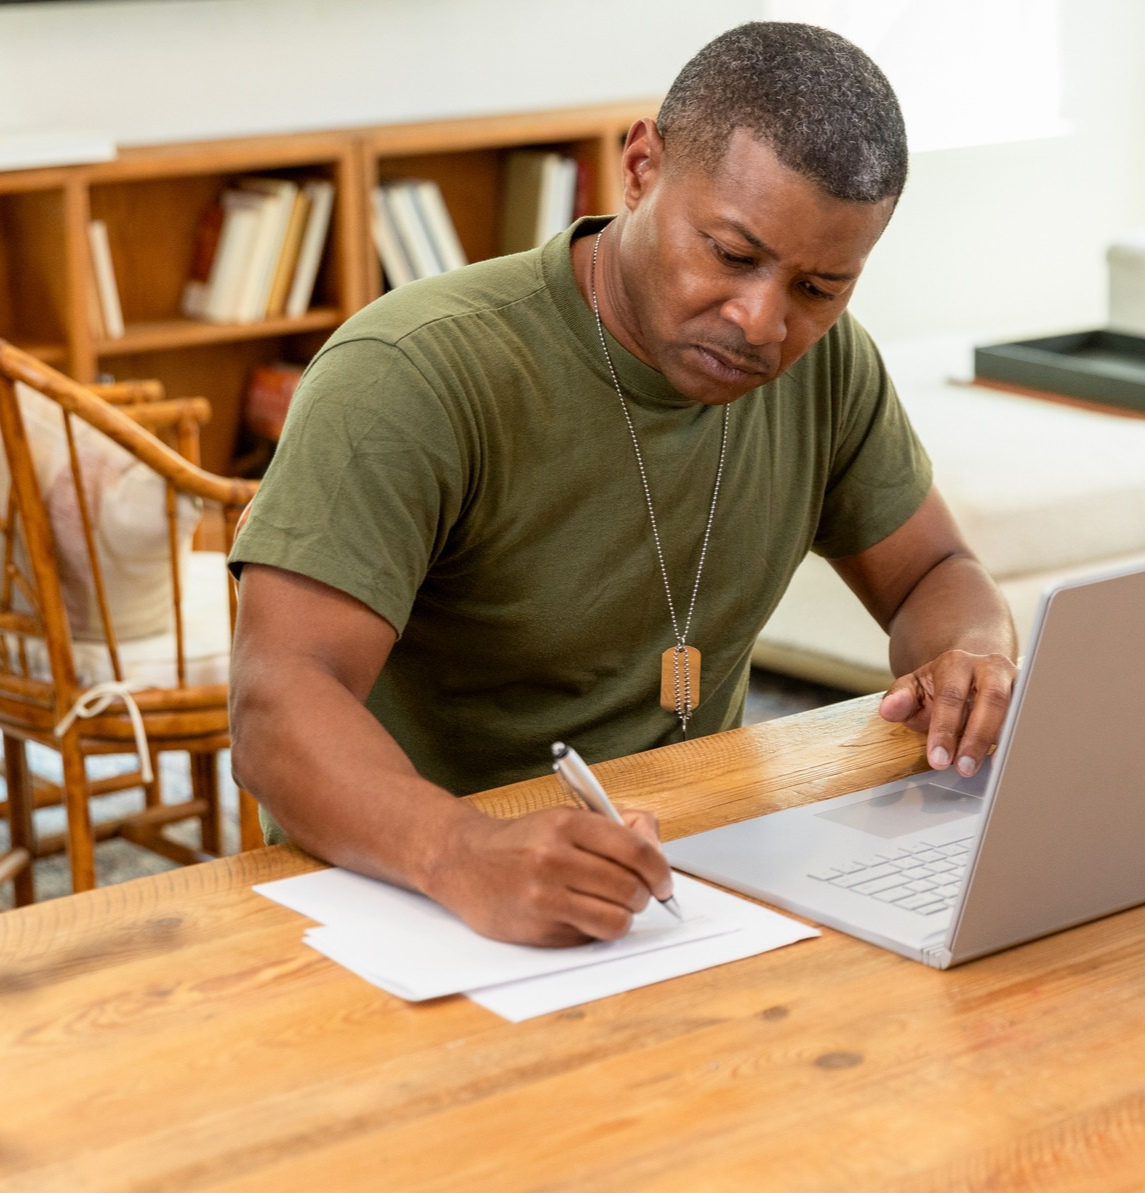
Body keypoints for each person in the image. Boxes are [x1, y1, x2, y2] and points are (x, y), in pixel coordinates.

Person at [228, 22, 1017, 947]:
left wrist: (971, 653)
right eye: (729, 253)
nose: (760, 321)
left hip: (697, 881)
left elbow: (937, 571)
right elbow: (278, 698)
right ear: (640, 165)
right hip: (412, 895)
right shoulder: (412, 371)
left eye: (818, 287)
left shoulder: (828, 368)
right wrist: (459, 849)